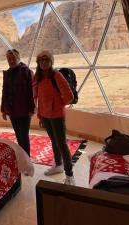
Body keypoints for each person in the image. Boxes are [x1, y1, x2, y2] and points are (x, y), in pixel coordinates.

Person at [33, 50, 75, 185]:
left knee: (62, 144)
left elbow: (69, 97)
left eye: (46, 60)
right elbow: (39, 98)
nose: (44, 63)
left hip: (56, 116)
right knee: (53, 141)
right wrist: (40, 115)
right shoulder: (39, 77)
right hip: (45, 116)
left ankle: (70, 176)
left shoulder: (56, 75)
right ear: (38, 63)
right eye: (41, 61)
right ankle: (58, 165)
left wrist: (57, 104)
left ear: (51, 62)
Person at [1, 49, 35, 156]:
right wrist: (3, 110)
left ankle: (27, 159)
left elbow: (31, 91)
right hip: (12, 111)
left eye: (13, 58)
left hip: (24, 110)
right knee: (18, 136)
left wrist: (31, 108)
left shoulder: (26, 71)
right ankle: (23, 158)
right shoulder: (7, 73)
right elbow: (4, 92)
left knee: (24, 136)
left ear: (18, 58)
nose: (11, 60)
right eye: (9, 59)